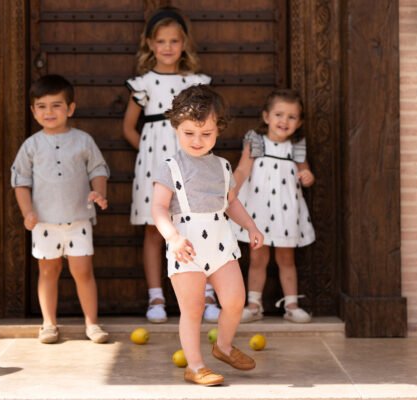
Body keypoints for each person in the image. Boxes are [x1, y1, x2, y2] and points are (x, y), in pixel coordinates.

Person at [152, 85, 264, 385]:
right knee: (193, 308)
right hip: (186, 248)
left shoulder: (223, 166)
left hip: (220, 245)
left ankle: (224, 346)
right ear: (176, 127)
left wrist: (251, 226)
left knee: (235, 300)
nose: (197, 140)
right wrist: (173, 238)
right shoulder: (170, 168)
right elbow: (159, 208)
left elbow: (231, 203)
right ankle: (195, 365)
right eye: (189, 133)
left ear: (219, 129)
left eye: (206, 134)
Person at [123, 7, 220, 324]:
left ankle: (207, 295)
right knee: (154, 229)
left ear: (184, 44)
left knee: (199, 224)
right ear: (150, 44)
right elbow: (128, 128)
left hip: (192, 165)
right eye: (161, 41)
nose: (167, 47)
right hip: (154, 167)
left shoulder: (196, 82)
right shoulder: (144, 84)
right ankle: (156, 297)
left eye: (174, 41)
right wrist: (150, 154)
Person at [11, 74, 110, 344]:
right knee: (48, 271)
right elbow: (20, 182)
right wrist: (27, 213)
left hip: (79, 219)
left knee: (83, 271)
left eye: (56, 105)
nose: (49, 112)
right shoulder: (31, 146)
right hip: (44, 222)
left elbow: (98, 170)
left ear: (70, 108)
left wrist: (99, 193)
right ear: (33, 111)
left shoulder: (83, 141)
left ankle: (92, 323)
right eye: (42, 106)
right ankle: (48, 324)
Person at [232, 89, 316, 324]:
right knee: (258, 258)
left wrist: (308, 176)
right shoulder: (256, 141)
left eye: (291, 117)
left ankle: (291, 305)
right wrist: (232, 190)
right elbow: (243, 169)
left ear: (299, 122)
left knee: (286, 259)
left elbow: (305, 171)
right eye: (279, 115)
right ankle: (253, 305)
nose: (284, 121)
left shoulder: (296, 145)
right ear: (266, 117)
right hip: (258, 209)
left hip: (285, 211)